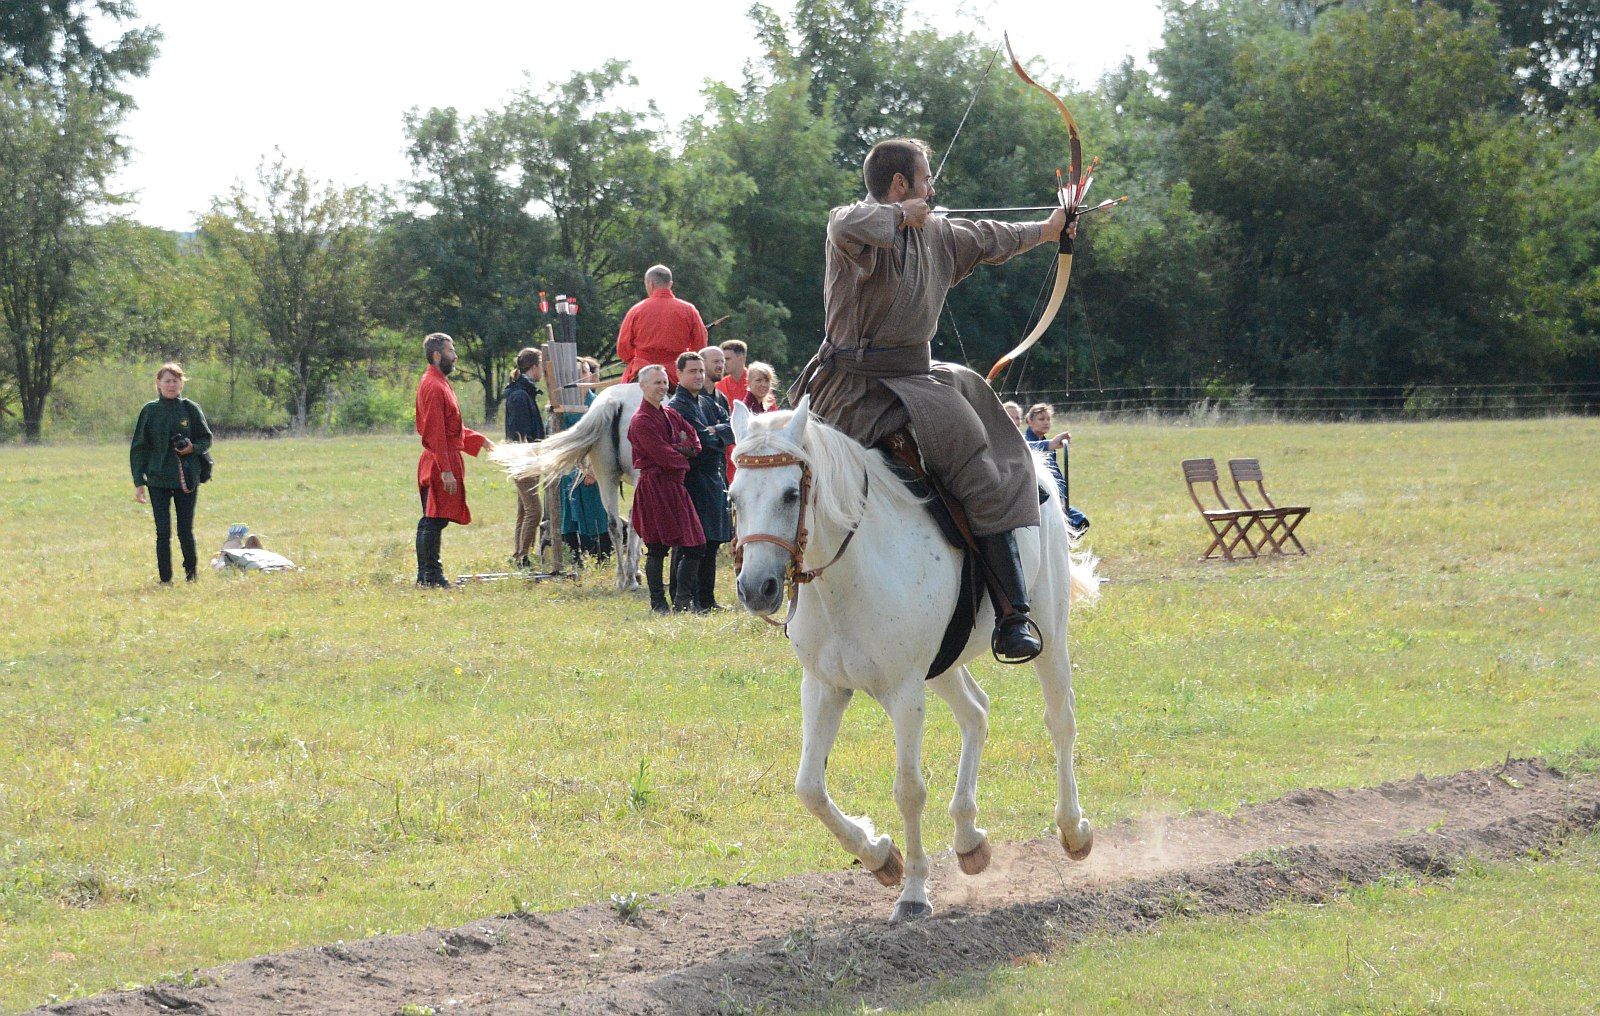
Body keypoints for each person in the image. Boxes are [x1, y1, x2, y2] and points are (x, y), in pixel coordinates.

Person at [791, 137, 1073, 662]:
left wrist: (1048, 231)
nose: (934, 188)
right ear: (901, 185)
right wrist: (898, 217)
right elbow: (846, 222)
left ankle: (1013, 613)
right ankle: (789, 596)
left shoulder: (938, 234)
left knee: (979, 470)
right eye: (926, 179)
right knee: (791, 474)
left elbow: (992, 236)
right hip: (846, 390)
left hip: (916, 381)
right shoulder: (854, 229)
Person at [415, 332, 495, 588]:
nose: (455, 356)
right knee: (433, 519)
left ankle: (427, 575)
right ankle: (431, 577)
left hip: (443, 458)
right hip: (439, 461)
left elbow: (451, 427)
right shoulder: (433, 386)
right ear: (437, 355)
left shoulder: (439, 382)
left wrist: (479, 440)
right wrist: (445, 470)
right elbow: (436, 432)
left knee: (434, 519)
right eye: (451, 351)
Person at [627, 364, 704, 612]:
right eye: (656, 383)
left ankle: (682, 601)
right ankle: (658, 603)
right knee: (657, 547)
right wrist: (681, 452)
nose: (662, 387)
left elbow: (694, 440)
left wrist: (681, 449)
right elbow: (665, 457)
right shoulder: (640, 420)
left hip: (675, 486)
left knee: (695, 545)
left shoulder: (670, 414)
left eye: (663, 382)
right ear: (643, 386)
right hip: (654, 487)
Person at [130, 363, 213, 584]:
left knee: (185, 530)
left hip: (186, 479)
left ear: (181, 383)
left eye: (175, 380)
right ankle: (165, 579)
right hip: (157, 480)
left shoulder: (189, 408)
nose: (171, 385)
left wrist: (191, 448)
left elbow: (206, 439)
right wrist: (139, 482)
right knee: (163, 532)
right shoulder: (150, 411)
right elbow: (138, 448)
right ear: (158, 384)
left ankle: (191, 575)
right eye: (167, 381)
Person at [667, 351, 734, 611]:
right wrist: (716, 434)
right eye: (692, 371)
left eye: (700, 371)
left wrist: (715, 431)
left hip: (714, 479)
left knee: (713, 541)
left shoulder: (707, 403)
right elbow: (701, 444)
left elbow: (731, 427)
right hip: (691, 480)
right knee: (691, 543)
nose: (698, 376)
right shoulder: (677, 406)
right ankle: (683, 598)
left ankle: (706, 599)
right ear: (679, 374)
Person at [559, 356, 614, 565]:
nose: (578, 378)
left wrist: (592, 468)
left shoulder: (599, 404)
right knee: (569, 516)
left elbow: (606, 438)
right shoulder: (562, 406)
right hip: (568, 470)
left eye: (582, 373)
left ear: (589, 375)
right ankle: (574, 560)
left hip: (594, 469)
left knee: (596, 512)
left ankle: (602, 559)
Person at [616, 265, 708, 386]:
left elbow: (623, 350)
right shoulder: (689, 310)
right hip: (676, 375)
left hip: (643, 371)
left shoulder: (636, 310)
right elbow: (700, 347)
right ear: (670, 284)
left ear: (650, 283)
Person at [503, 347, 547, 569]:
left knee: (524, 509)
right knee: (534, 510)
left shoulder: (522, 392)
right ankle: (523, 557)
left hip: (526, 458)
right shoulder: (520, 396)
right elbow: (519, 434)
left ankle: (520, 555)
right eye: (541, 365)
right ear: (534, 366)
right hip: (523, 459)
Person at [1024, 403, 1090, 534]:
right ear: (1030, 422)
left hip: (1054, 498)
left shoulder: (1047, 445)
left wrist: (1062, 498)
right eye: (1041, 419)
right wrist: (1051, 444)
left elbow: (1056, 475)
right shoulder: (1027, 442)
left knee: (1080, 521)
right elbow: (1024, 448)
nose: (1046, 423)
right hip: (1039, 500)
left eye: (1048, 419)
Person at [715, 338, 749, 408]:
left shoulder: (758, 381)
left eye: (727, 359)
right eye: (722, 360)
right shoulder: (719, 386)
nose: (724, 363)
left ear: (741, 358)